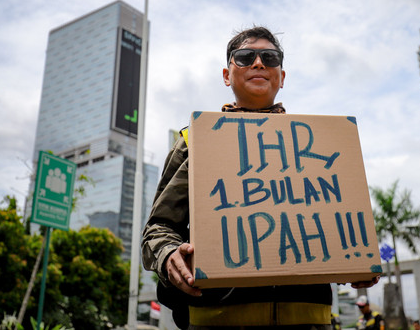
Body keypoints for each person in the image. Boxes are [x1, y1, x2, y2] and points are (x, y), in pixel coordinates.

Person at [142, 26, 379, 329]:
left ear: (282, 76)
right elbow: (158, 228)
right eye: (244, 57)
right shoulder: (194, 142)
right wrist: (167, 255)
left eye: (270, 57)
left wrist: (358, 261)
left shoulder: (322, 146)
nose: (258, 63)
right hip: (217, 322)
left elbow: (338, 225)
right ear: (227, 75)